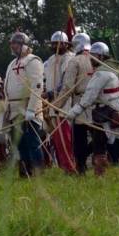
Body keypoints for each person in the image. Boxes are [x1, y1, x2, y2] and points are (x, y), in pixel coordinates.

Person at [64, 43, 119, 176]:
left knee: (99, 145)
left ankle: (100, 174)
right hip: (118, 110)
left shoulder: (101, 73)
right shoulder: (116, 68)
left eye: (93, 56)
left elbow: (89, 96)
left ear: (100, 56)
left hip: (104, 112)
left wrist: (74, 112)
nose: (91, 59)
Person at [3, 32, 45, 177]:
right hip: (14, 110)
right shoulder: (12, 63)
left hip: (28, 108)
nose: (13, 46)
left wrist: (31, 109)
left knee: (32, 143)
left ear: (24, 45)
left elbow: (37, 86)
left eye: (16, 43)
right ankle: (25, 173)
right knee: (19, 144)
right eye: (12, 43)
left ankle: (37, 173)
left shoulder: (33, 61)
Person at [62, 32, 94, 174]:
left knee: (80, 139)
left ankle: (81, 166)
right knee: (99, 136)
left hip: (80, 103)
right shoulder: (98, 58)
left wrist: (57, 106)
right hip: (98, 103)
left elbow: (68, 87)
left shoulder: (75, 61)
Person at [44, 31, 76, 174]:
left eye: (59, 43)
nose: (56, 46)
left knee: (65, 137)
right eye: (54, 44)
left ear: (65, 44)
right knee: (57, 138)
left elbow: (65, 82)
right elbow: (46, 79)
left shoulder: (70, 58)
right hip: (52, 102)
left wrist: (50, 94)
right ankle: (64, 166)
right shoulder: (51, 60)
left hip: (64, 101)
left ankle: (70, 165)